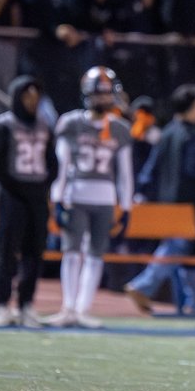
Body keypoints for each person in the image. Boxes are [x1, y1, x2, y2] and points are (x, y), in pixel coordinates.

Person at [48, 67, 133, 328]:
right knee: (72, 252)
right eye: (99, 94)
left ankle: (82, 309)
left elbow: (125, 173)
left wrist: (126, 206)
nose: (103, 99)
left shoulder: (119, 128)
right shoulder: (71, 122)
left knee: (96, 254)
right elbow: (61, 166)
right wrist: (58, 198)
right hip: (77, 193)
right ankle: (68, 307)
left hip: (105, 198)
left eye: (107, 94)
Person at [125, 84, 195, 318]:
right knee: (175, 250)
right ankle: (142, 286)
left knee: (185, 255)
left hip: (165, 202)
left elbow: (151, 167)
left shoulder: (167, 132)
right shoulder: (191, 135)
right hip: (186, 204)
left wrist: (143, 193)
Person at [0, 76, 57, 328]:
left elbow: (52, 163)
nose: (32, 100)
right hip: (12, 195)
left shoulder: (45, 126)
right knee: (6, 252)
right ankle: (1, 304)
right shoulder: (4, 125)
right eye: (27, 95)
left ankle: (26, 304)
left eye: (36, 95)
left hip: (37, 197)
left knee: (34, 254)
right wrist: (18, 188)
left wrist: (42, 187)